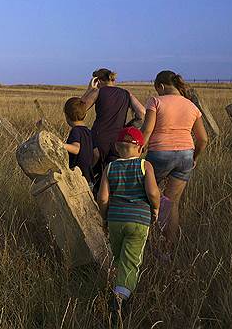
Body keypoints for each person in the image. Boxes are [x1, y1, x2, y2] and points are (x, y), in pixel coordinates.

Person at [97, 127, 160, 326]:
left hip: (115, 219)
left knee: (118, 257)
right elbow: (152, 193)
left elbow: (103, 198)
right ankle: (119, 300)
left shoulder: (110, 167)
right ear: (140, 148)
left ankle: (119, 288)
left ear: (117, 147)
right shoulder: (145, 165)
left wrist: (105, 219)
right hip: (139, 220)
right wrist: (156, 209)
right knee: (131, 261)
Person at [140, 70, 208, 245]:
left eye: (157, 88)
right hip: (185, 155)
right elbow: (203, 139)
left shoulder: (155, 101)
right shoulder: (192, 106)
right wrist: (194, 157)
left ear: (161, 86)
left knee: (145, 195)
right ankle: (168, 246)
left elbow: (147, 130)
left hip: (159, 153)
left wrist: (138, 151)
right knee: (172, 202)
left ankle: (145, 240)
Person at [80, 68, 146, 177]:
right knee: (112, 175)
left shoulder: (98, 91)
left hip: (98, 139)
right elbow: (142, 113)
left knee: (93, 175)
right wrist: (128, 127)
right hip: (118, 141)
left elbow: (79, 110)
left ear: (98, 81)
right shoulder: (126, 93)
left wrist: (89, 90)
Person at [63, 97, 97, 187]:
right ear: (84, 115)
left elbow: (76, 149)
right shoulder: (89, 132)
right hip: (89, 176)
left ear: (66, 116)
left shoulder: (75, 131)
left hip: (77, 177)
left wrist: (61, 145)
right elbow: (96, 154)